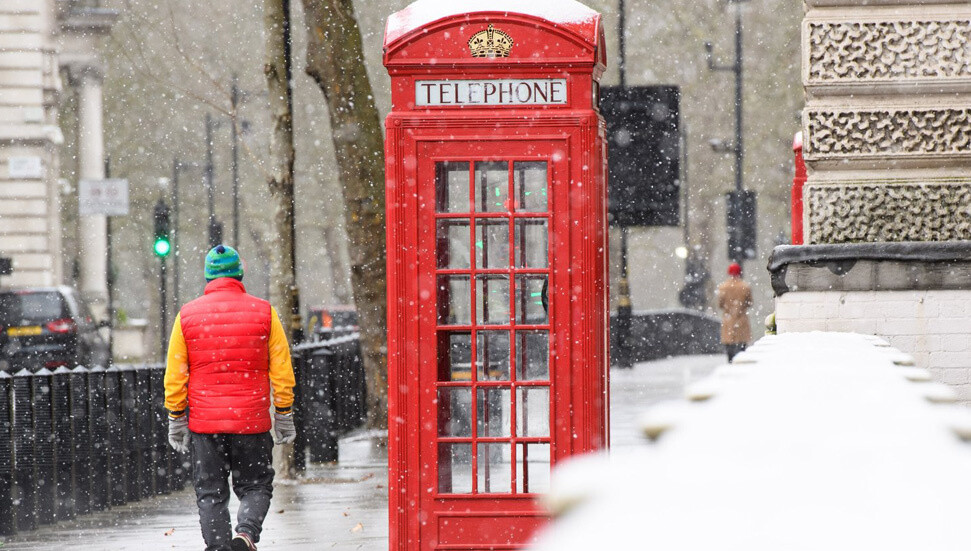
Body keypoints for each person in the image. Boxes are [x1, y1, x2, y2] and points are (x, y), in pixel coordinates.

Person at [164, 245, 296, 551]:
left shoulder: (187, 316)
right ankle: (245, 534)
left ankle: (219, 547)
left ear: (208, 276)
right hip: (251, 421)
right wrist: (284, 412)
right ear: (239, 274)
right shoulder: (265, 312)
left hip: (205, 425)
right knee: (256, 485)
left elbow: (175, 374)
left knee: (210, 492)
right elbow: (281, 367)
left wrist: (176, 416)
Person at [716, 262, 753, 362]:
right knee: (742, 344)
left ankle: (730, 361)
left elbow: (720, 304)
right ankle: (741, 361)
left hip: (728, 319)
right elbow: (750, 303)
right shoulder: (745, 286)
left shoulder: (723, 287)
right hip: (741, 319)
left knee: (729, 344)